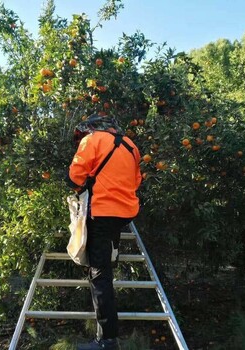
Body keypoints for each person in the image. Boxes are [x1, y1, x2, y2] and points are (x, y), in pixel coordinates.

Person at [66, 114, 142, 350]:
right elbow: (136, 180)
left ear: (92, 128)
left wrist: (82, 184)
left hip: (101, 212)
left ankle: (107, 340)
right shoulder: (131, 146)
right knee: (106, 260)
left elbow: (74, 176)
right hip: (124, 213)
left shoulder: (93, 140)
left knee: (99, 275)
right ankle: (112, 254)